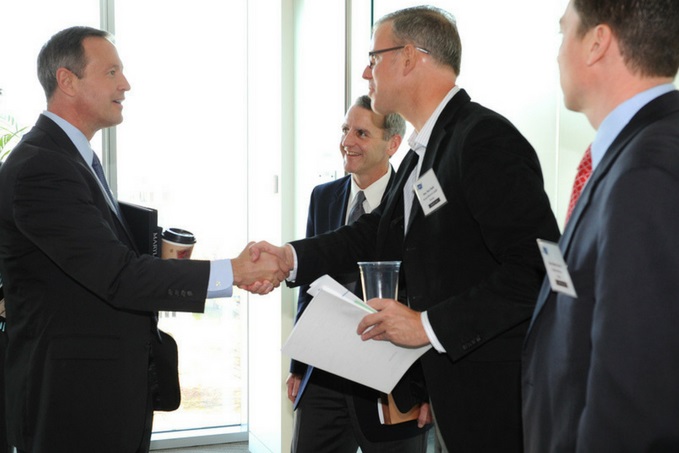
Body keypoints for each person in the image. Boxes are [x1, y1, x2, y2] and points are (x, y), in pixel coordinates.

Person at [250, 6, 560, 452]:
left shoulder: (483, 139)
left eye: (374, 57)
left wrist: (426, 326)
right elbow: (371, 233)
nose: (365, 71)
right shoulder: (421, 154)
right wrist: (290, 258)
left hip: (493, 397)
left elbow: (534, 270)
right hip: (453, 393)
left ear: (411, 58)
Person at [0, 26, 285, 453]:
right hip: (72, 403)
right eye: (111, 71)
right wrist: (235, 270)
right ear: (67, 81)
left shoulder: (70, 159)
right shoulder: (43, 167)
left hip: (103, 393)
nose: (125, 84)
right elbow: (117, 276)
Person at [522, 1, 679, 451]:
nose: (557, 54)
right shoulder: (635, 152)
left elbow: (637, 396)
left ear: (596, 42)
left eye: (563, 32)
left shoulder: (648, 171)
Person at [288, 95, 431, 452]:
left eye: (362, 133)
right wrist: (298, 365)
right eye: (345, 129)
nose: (347, 141)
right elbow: (309, 287)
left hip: (393, 382)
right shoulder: (323, 197)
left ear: (393, 144)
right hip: (323, 376)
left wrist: (430, 388)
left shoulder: (415, 204)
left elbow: (429, 295)